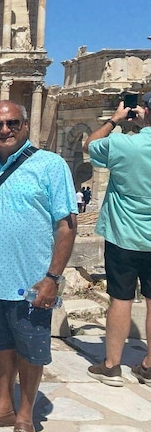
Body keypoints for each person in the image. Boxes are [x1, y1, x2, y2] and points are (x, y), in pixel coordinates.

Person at [0, 101, 76, 432]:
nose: (5, 130)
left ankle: (25, 415)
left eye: (12, 123)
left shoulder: (50, 165)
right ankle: (3, 406)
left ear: (25, 125)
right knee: (1, 346)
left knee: (31, 350)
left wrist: (53, 277)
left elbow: (67, 225)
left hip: (32, 280)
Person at [83, 92, 151, 386]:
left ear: (145, 111)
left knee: (121, 299)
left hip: (124, 235)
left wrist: (115, 120)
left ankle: (111, 365)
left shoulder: (124, 144)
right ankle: (149, 366)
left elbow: (89, 146)